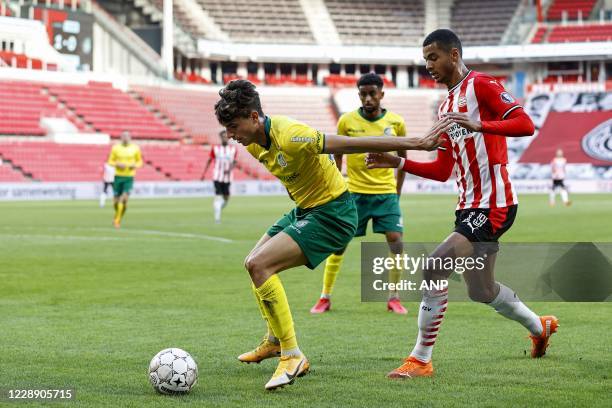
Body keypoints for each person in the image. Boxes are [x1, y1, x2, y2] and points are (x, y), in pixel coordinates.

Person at [214, 79, 449, 390]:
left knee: (261, 265)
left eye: (233, 126)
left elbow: (349, 144)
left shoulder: (292, 135)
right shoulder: (255, 142)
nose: (230, 135)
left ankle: (292, 354)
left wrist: (417, 143)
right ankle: (274, 340)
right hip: (306, 210)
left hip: (333, 215)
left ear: (254, 117)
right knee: (251, 263)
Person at [366, 29, 558, 379]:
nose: (429, 66)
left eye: (433, 57)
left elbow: (526, 124)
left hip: (495, 205)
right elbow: (443, 170)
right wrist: (399, 163)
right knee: (481, 291)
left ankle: (420, 359)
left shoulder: (482, 85)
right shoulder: (445, 106)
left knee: (434, 265)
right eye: (425, 60)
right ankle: (540, 327)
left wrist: (480, 123)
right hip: (468, 208)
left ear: (454, 55)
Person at [310, 72, 409, 315]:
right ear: (359, 95)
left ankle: (394, 297)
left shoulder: (396, 122)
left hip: (385, 194)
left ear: (381, 94)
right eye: (363, 94)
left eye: (372, 93)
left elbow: (403, 160)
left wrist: (396, 192)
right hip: (354, 193)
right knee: (339, 244)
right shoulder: (346, 121)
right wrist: (336, 188)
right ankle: (325, 296)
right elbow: (337, 157)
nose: (367, 98)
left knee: (396, 241)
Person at [107, 131, 142, 228]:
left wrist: (134, 165)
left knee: (123, 199)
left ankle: (117, 221)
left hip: (129, 177)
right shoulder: (115, 148)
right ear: (121, 138)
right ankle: (117, 216)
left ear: (130, 137)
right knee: (115, 202)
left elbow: (140, 162)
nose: (125, 138)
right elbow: (110, 161)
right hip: (118, 176)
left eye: (127, 136)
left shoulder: (135, 148)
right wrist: (117, 164)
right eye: (123, 136)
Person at [201, 130, 237, 223]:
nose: (225, 138)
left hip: (228, 177)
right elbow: (209, 160)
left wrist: (229, 170)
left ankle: (218, 208)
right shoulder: (216, 148)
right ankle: (217, 218)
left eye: (226, 136)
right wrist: (203, 174)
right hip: (217, 176)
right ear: (220, 137)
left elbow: (234, 162)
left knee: (226, 198)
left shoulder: (233, 149)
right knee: (218, 196)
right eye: (223, 136)